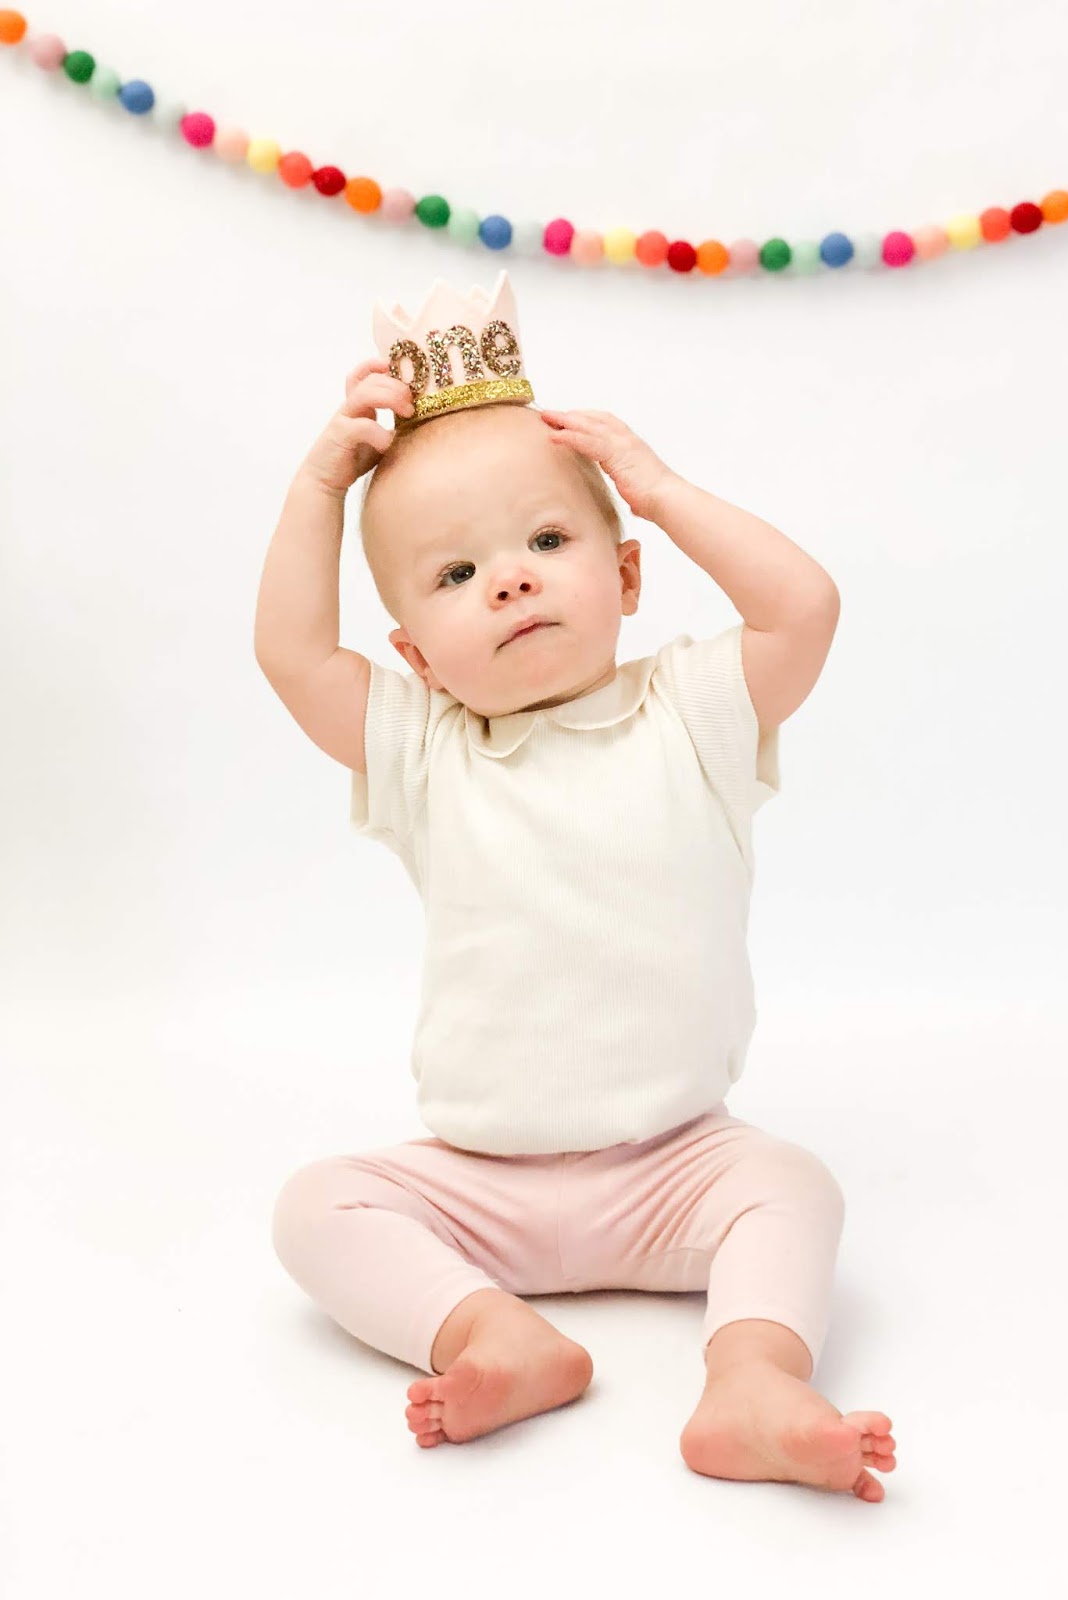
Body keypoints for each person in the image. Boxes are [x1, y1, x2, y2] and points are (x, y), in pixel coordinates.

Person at [253, 272, 896, 1500]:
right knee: (316, 1207)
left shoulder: (694, 712)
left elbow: (805, 605)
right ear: (413, 654)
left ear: (629, 575)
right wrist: (319, 487)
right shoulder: (426, 749)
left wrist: (660, 485)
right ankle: (494, 1332)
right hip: (480, 1181)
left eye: (548, 542)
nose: (509, 580)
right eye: (455, 574)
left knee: (793, 1186)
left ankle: (752, 1380)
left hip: (676, 1163)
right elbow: (290, 652)